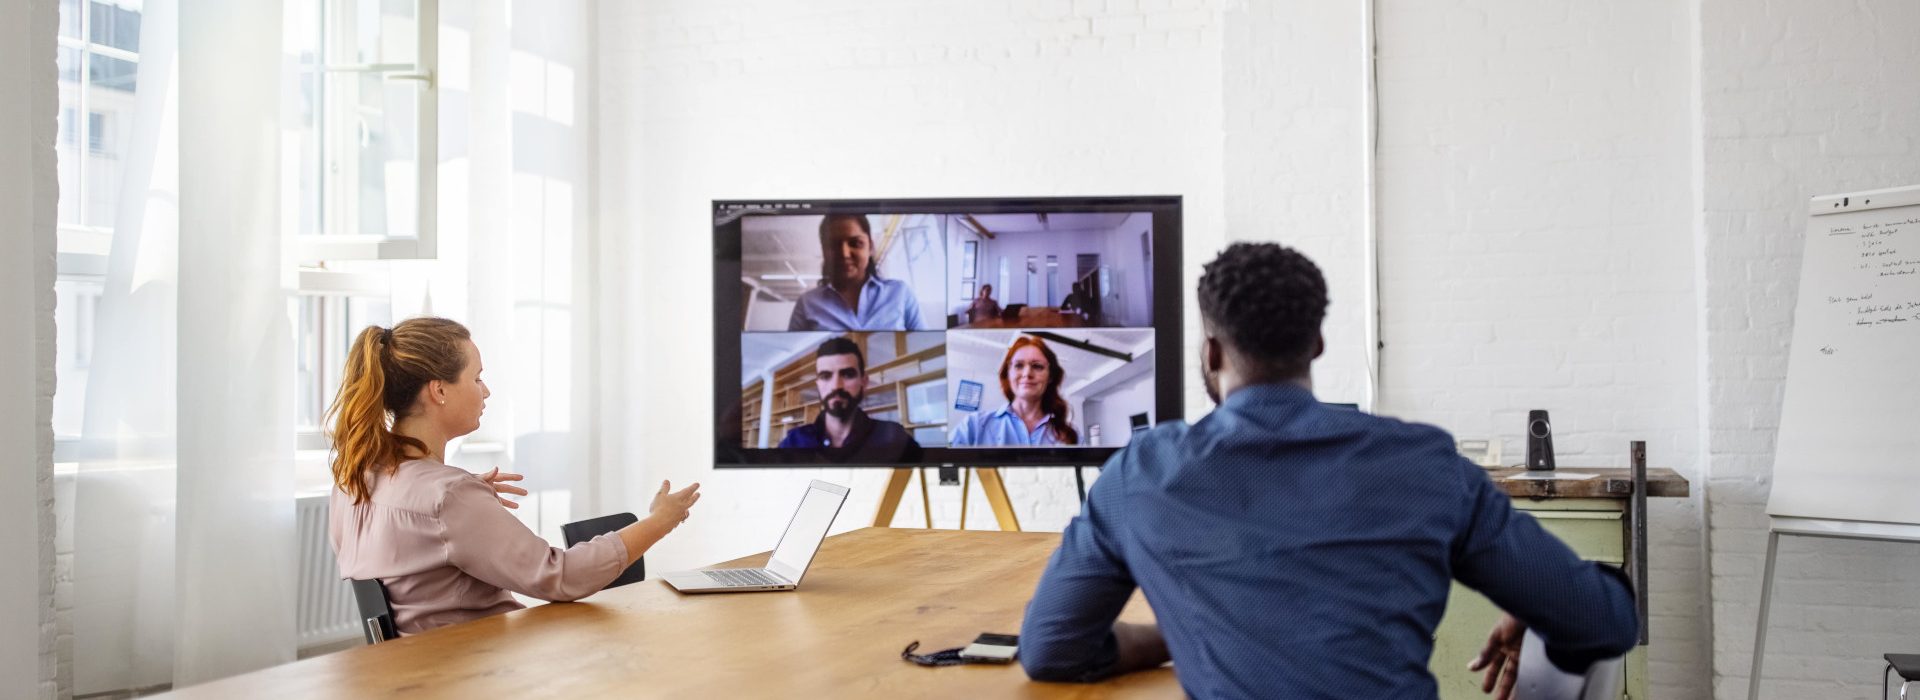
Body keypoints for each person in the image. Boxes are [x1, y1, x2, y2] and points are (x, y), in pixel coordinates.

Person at [1018, 243, 1637, 698]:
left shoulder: (1139, 476)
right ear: (1316, 343)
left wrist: (1175, 636)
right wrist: (1545, 596)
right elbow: (1605, 624)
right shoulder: (1424, 464)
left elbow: (1050, 651)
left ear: (1210, 350)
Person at [327, 317, 701, 635]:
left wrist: (462, 506)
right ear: (439, 390)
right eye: (477, 379)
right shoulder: (448, 497)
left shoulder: (354, 480)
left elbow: (409, 553)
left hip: (417, 674)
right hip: (483, 675)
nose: (486, 391)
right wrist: (659, 521)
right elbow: (562, 577)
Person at [776, 336, 922, 462]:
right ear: (818, 385)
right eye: (825, 376)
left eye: (847, 374)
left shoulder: (894, 438)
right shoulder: (793, 442)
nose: (836, 386)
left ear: (864, 382)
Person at [787, 214, 931, 331]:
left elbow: (927, 344)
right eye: (833, 245)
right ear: (824, 251)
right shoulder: (807, 304)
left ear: (870, 248)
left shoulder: (901, 293)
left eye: (855, 243)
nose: (844, 254)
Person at [949, 336, 1079, 447]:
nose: (1027, 373)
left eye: (1037, 366)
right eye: (1018, 365)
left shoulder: (1071, 435)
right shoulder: (973, 426)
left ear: (1050, 376)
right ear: (1008, 374)